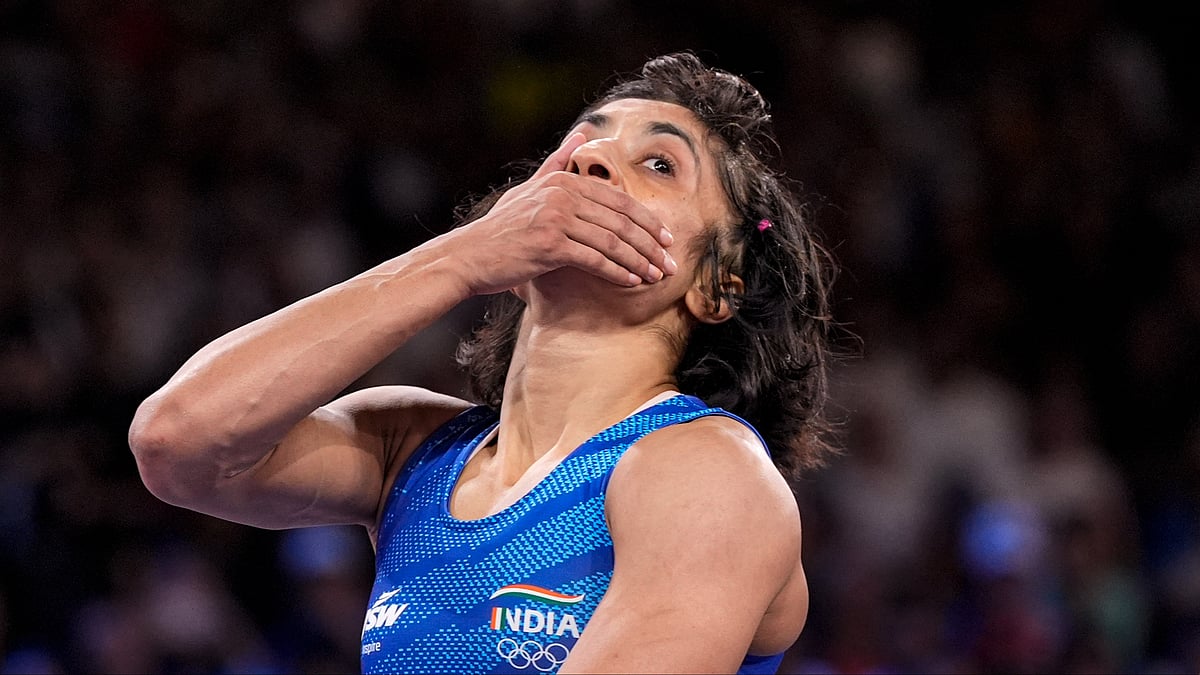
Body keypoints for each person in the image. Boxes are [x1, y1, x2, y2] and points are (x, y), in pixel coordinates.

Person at [129, 51, 840, 674]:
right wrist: (462, 256)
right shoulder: (412, 449)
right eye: (582, 143)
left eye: (659, 164)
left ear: (717, 286)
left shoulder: (706, 468)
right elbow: (178, 438)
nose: (588, 162)